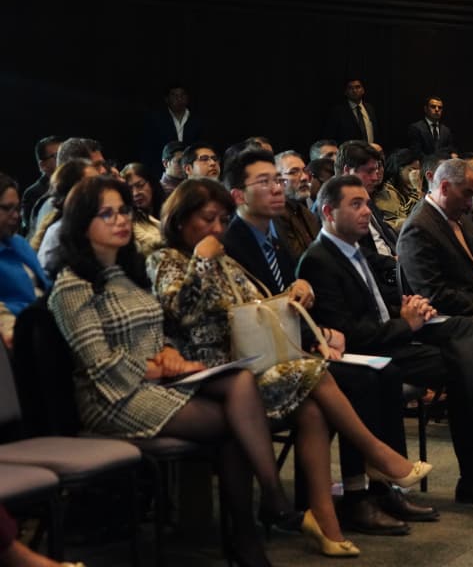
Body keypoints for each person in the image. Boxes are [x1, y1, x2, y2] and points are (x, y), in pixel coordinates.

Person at [148, 178, 430, 556]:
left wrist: (294, 292)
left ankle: (325, 522)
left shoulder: (225, 259)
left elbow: (256, 308)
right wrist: (202, 260)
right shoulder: (164, 259)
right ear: (180, 220)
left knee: (313, 410)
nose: (216, 228)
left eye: (221, 220)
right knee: (316, 373)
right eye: (207, 219)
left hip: (247, 361)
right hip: (208, 371)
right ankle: (376, 455)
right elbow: (182, 312)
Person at [47, 176, 294, 567]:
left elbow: (154, 330)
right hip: (110, 399)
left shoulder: (126, 274)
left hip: (151, 385)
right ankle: (257, 523)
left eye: (124, 211)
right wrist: (159, 368)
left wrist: (166, 353)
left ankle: (257, 521)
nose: (120, 220)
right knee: (236, 424)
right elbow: (99, 365)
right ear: (81, 224)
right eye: (106, 214)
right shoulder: (72, 285)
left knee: (240, 384)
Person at [298, 174, 473, 519]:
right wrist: (406, 323)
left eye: (366, 203)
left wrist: (407, 310)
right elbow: (349, 333)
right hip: (361, 355)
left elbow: (375, 307)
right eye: (355, 205)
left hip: (389, 336)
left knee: (464, 350)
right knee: (464, 355)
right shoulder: (319, 259)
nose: (365, 211)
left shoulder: (354, 249)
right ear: (329, 212)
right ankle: (452, 469)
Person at [0, 174, 48, 350]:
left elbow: (46, 287)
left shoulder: (19, 242)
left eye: (17, 208)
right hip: (21, 336)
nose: (16, 215)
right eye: (7, 208)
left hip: (45, 322)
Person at [119, 163, 165, 257]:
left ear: (152, 183)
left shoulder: (168, 206)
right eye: (129, 189)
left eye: (140, 185)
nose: (135, 193)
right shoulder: (130, 220)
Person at [20, 136, 61, 236]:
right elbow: (35, 233)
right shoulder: (32, 194)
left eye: (64, 153)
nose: (63, 159)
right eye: (57, 156)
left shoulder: (75, 184)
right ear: (43, 165)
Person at [374, 149, 422, 232]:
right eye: (412, 169)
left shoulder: (405, 188)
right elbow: (405, 219)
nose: (417, 174)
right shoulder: (386, 191)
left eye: (418, 170)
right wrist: (417, 189)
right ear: (400, 169)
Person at [324, 78, 380, 144]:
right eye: (350, 88)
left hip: (370, 151)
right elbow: (330, 136)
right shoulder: (337, 112)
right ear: (345, 92)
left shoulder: (370, 108)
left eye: (358, 87)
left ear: (363, 90)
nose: (354, 90)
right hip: (349, 152)